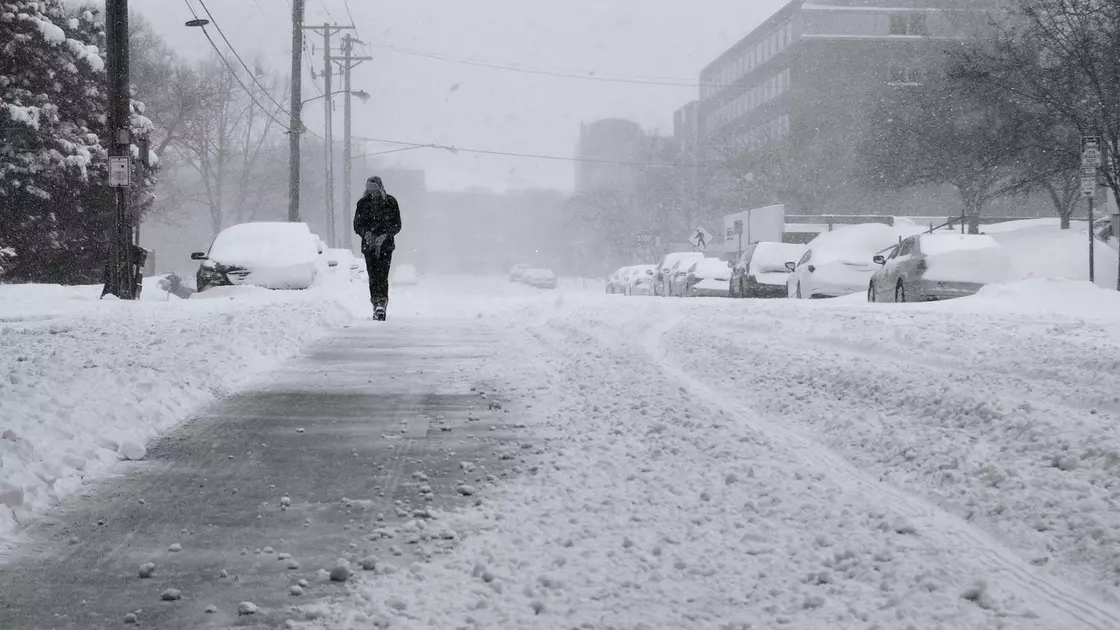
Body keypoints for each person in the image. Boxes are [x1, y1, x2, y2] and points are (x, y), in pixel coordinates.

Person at [353, 176, 402, 321]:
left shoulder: (390, 202)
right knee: (373, 275)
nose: (371, 191)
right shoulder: (362, 203)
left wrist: (385, 235)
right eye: (369, 188)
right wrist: (366, 234)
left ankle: (382, 302)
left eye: (374, 188)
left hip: (386, 247)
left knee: (383, 275)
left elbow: (397, 224)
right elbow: (357, 224)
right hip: (368, 246)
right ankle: (375, 303)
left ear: (380, 187)